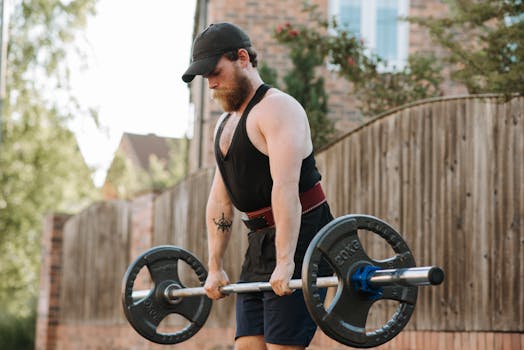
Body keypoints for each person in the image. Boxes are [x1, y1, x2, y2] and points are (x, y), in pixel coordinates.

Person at [182, 22, 333, 350]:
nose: (211, 83)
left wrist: (286, 261)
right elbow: (220, 200)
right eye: (206, 77)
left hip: (302, 236)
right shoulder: (224, 124)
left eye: (215, 72)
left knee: (282, 346)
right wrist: (214, 266)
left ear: (242, 58)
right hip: (259, 243)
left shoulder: (277, 108)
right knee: (247, 345)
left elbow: (285, 188)